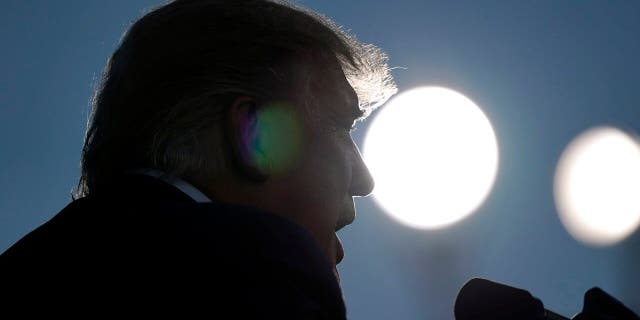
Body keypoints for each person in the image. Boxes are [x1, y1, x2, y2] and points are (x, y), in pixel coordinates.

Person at [0, 0, 396, 317]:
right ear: (256, 136)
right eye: (342, 125)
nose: (365, 180)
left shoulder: (33, 265)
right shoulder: (252, 270)